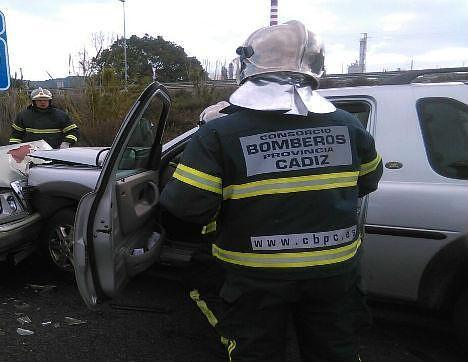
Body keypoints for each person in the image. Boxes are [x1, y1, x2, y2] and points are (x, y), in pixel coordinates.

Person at [160, 20, 383, 361]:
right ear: (315, 67)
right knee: (335, 351)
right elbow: (368, 180)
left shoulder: (220, 133)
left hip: (255, 277)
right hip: (334, 272)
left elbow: (187, 205)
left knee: (256, 353)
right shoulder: (348, 125)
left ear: (248, 66)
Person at [9, 87, 79, 149]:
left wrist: (66, 143)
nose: (43, 102)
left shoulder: (61, 115)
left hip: (56, 153)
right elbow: (15, 136)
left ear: (50, 101)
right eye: (39, 100)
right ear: (34, 102)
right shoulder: (23, 116)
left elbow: (73, 132)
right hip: (31, 153)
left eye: (45, 100)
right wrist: (16, 148)